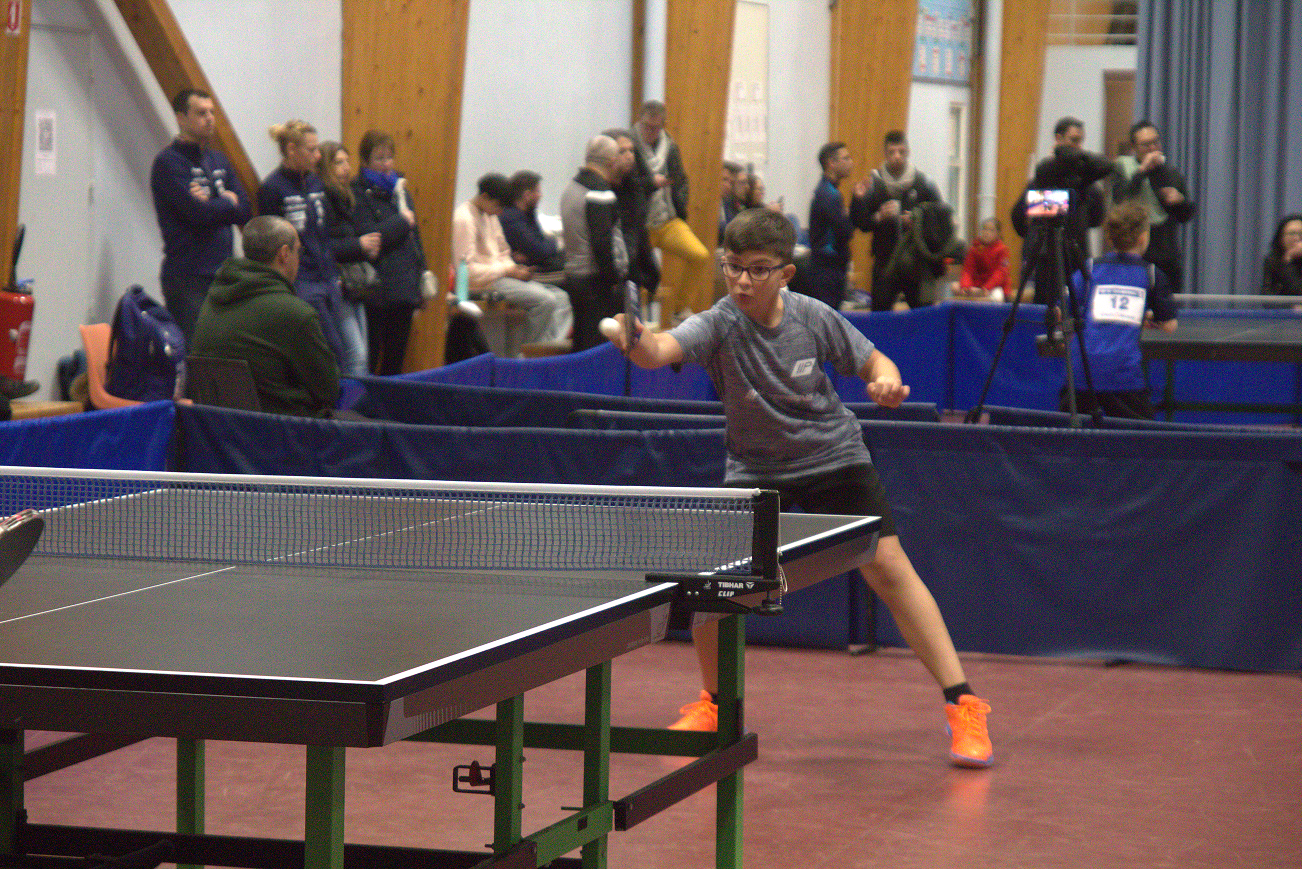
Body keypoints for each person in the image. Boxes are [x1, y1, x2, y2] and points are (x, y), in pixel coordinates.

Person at [604, 208, 994, 768]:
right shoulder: (718, 323)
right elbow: (659, 351)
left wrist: (884, 380)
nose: (742, 280)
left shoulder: (813, 317)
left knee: (888, 566)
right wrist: (635, 339)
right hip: (756, 470)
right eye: (732, 266)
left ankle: (964, 703)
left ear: (785, 273)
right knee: (716, 587)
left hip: (833, 457)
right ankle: (715, 703)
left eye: (757, 269)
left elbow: (873, 360)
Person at [190, 215, 339, 417]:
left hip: (221, 429)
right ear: (284, 254)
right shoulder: (294, 313)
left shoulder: (212, 299)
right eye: (298, 251)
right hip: (286, 429)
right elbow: (329, 391)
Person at [258, 120, 366, 377]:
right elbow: (269, 245)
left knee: (355, 354)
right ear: (291, 149)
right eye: (312, 150)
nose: (318, 156)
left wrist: (333, 273)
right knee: (333, 354)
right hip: (302, 283)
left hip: (329, 279)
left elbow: (324, 232)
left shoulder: (317, 183)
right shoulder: (272, 188)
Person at [150, 88, 252, 342]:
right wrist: (226, 200)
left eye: (211, 112)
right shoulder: (168, 163)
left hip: (225, 274)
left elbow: (245, 211)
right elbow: (197, 214)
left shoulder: (219, 160)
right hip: (189, 278)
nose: (209, 118)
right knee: (197, 353)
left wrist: (214, 203)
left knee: (227, 351)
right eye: (201, 113)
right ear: (180, 118)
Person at [1062, 201, 1177, 419]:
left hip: (1081, 373)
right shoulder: (1151, 274)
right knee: (1142, 436)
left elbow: (1063, 311)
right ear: (1143, 238)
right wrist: (1143, 317)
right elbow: (1169, 325)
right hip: (1123, 376)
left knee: (1072, 436)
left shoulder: (1089, 268)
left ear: (1109, 238)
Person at [452, 174, 572, 348]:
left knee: (562, 299)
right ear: (484, 197)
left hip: (501, 277)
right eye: (498, 206)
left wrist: (515, 270)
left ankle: (547, 349)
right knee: (546, 300)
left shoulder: (491, 215)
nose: (500, 212)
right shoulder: (464, 218)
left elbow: (503, 252)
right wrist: (507, 270)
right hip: (483, 282)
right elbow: (467, 270)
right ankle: (529, 353)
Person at [350, 130, 427, 375]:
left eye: (389, 157)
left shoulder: (400, 189)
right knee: (370, 358)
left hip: (405, 284)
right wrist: (401, 222)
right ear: (365, 161)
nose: (386, 164)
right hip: (377, 286)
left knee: (395, 360)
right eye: (379, 158)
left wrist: (422, 274)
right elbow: (369, 236)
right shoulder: (357, 191)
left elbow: (415, 237)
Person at [1010, 117, 1108, 306]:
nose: (1078, 146)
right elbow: (1018, 216)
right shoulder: (1044, 177)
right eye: (1073, 140)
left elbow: (1097, 218)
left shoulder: (1085, 183)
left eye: (1080, 141)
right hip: (1047, 255)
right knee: (1044, 306)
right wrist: (1034, 235)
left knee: (1076, 304)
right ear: (1059, 138)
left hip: (1076, 252)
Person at [634, 100, 711, 327]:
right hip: (640, 225)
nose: (651, 132)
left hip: (667, 220)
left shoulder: (670, 146)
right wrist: (651, 183)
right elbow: (626, 184)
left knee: (700, 255)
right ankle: (635, 319)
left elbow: (681, 179)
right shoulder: (629, 145)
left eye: (656, 128)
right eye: (647, 127)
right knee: (638, 273)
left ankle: (679, 309)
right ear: (640, 121)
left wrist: (681, 207)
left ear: (663, 126)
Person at [850, 130, 943, 311]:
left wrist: (917, 221)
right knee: (880, 314)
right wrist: (877, 216)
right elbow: (860, 223)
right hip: (885, 261)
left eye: (901, 151)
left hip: (916, 262)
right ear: (885, 154)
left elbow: (940, 219)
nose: (897, 156)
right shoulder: (874, 183)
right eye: (892, 152)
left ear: (908, 152)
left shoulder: (923, 183)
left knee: (922, 314)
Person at [1109, 121, 1196, 293]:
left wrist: (1180, 201)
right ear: (1134, 147)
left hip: (1166, 255)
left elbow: (1186, 215)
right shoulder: (1123, 169)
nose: (1152, 148)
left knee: (1168, 304)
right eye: (1146, 144)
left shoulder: (1171, 173)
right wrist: (1141, 171)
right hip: (1133, 254)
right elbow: (1120, 199)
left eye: (1156, 142)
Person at [560, 135, 628, 352]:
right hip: (595, 282)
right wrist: (613, 278)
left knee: (581, 345)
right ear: (612, 161)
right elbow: (602, 242)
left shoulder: (571, 187)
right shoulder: (599, 192)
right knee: (597, 349)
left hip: (574, 277)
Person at [603, 127, 660, 298]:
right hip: (611, 275)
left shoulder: (634, 188)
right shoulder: (600, 192)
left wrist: (651, 272)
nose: (629, 156)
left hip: (633, 268)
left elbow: (638, 231)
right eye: (622, 151)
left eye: (631, 151)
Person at [806, 142, 856, 310]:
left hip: (828, 267)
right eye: (846, 158)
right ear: (831, 163)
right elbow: (846, 232)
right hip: (827, 270)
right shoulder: (829, 195)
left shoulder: (828, 191)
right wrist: (854, 207)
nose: (851, 162)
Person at [500, 171, 565, 275]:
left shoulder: (528, 212)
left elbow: (539, 242)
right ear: (527, 195)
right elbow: (540, 250)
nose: (541, 195)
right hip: (529, 271)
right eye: (538, 191)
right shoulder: (511, 218)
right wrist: (557, 242)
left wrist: (535, 252)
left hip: (536, 263)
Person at [953, 217, 1012, 302]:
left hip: (995, 286)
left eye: (991, 230)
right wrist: (965, 286)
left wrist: (987, 287)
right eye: (984, 229)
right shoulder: (975, 248)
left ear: (998, 234)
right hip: (977, 285)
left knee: (998, 296)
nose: (987, 233)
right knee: (955, 286)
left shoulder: (1002, 250)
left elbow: (1001, 273)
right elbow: (968, 269)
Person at [1261, 214, 1302, 300]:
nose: (1296, 238)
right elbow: (1267, 297)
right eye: (1292, 233)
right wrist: (1287, 260)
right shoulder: (1272, 260)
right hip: (1284, 308)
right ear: (1281, 237)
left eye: (1300, 233)